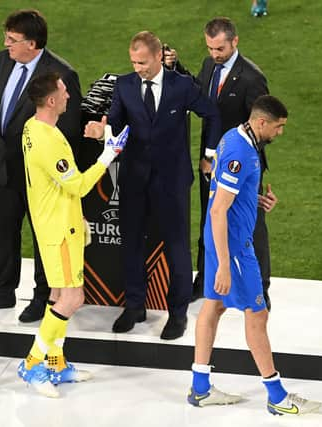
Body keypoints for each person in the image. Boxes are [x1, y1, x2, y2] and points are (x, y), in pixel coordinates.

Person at [187, 95, 321, 415]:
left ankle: (201, 388)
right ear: (262, 122)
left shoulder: (235, 137)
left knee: (214, 306)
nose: (280, 133)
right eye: (278, 127)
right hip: (233, 246)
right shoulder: (241, 152)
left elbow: (225, 191)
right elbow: (219, 209)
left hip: (222, 238)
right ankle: (276, 396)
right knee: (257, 315)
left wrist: (255, 200)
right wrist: (223, 265)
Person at [85, 31, 221, 340]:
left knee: (177, 250)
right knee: (131, 244)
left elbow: (212, 113)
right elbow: (117, 124)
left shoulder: (182, 86)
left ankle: (177, 314)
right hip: (133, 180)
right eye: (133, 62)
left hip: (172, 182)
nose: (138, 68)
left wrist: (209, 154)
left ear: (159, 57)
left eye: (143, 62)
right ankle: (134, 306)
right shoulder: (124, 85)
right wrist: (101, 130)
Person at [17, 72, 128, 397]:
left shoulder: (32, 128)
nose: (70, 96)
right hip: (60, 231)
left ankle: (56, 362)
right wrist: (108, 155)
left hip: (54, 223)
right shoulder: (49, 140)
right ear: (51, 100)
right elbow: (77, 184)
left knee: (56, 296)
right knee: (73, 298)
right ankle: (32, 361)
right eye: (64, 92)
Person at [0, 9, 83, 323]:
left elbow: (70, 131)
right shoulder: (2, 60)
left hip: (42, 179)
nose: (6, 44)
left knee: (43, 238)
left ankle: (43, 295)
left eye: (13, 40)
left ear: (32, 44)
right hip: (7, 168)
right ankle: (2, 291)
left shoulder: (61, 75)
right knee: (6, 229)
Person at [165, 17, 276, 309]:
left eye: (220, 48)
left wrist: (238, 162)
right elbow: (199, 95)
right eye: (211, 48)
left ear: (234, 41)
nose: (215, 54)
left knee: (251, 225)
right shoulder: (209, 65)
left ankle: (260, 288)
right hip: (209, 161)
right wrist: (176, 69)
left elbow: (263, 128)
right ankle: (205, 280)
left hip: (240, 165)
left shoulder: (252, 78)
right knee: (210, 218)